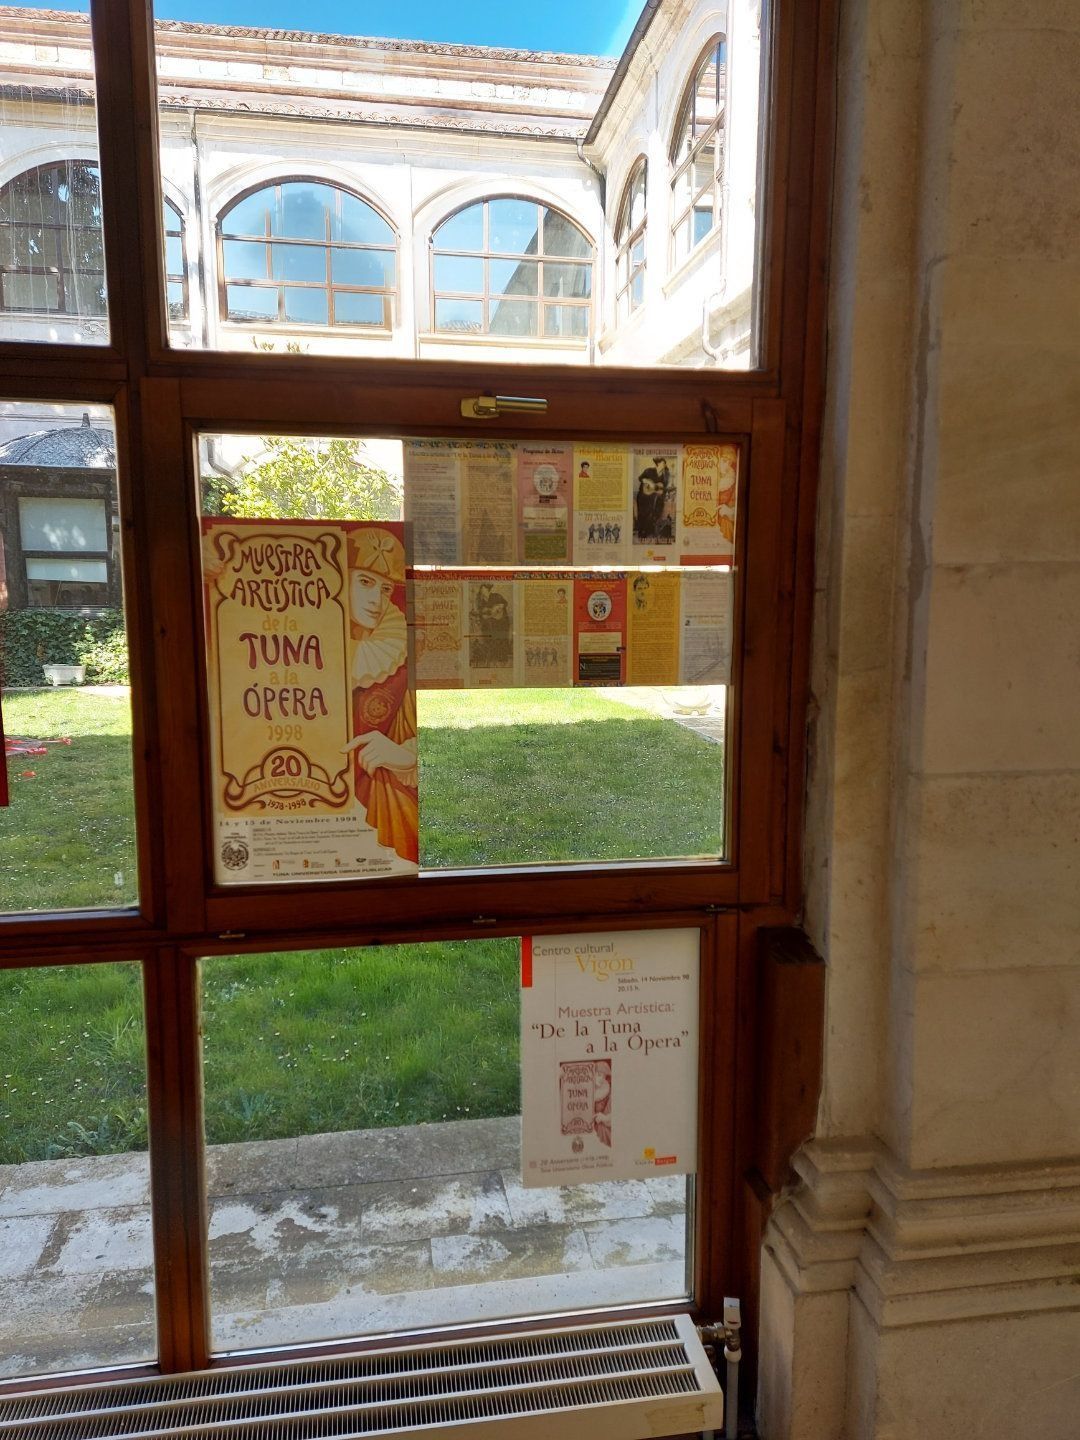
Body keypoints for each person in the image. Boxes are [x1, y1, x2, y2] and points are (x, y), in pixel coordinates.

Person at [343, 526, 417, 865]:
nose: (377, 599)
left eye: (385, 588)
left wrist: (402, 754)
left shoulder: (400, 654)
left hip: (378, 798)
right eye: (365, 582)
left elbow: (415, 734)